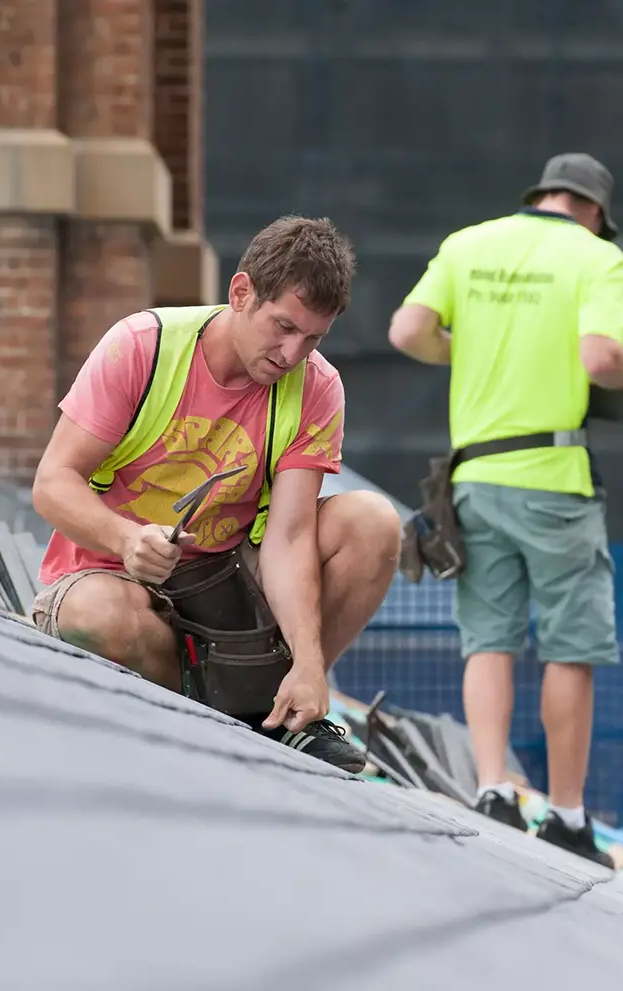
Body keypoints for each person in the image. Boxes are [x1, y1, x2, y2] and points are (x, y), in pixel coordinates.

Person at [30, 216, 400, 774]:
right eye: (282, 326)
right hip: (116, 575)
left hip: (227, 587)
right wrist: (128, 538)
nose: (292, 353)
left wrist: (310, 662)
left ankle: (281, 705)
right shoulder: (141, 349)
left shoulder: (316, 387)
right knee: (97, 616)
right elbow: (53, 482)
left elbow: (291, 535)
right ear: (241, 292)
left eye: (312, 338)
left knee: (372, 523)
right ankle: (223, 716)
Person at [386, 153, 623, 866]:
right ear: (595, 211)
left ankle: (492, 791)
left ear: (541, 195)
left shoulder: (469, 243)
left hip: (475, 477)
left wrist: (469, 348)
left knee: (490, 638)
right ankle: (567, 815)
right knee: (571, 645)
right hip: (554, 477)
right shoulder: (598, 259)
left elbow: (407, 331)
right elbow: (603, 357)